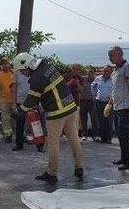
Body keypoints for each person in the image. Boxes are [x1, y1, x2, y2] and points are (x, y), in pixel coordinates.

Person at [13, 52, 83, 183]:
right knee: (74, 139)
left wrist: (19, 111)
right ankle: (79, 168)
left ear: (27, 65)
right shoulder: (47, 67)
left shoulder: (36, 78)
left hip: (57, 113)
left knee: (53, 143)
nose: (22, 74)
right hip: (71, 108)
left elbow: (31, 99)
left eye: (22, 71)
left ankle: (52, 173)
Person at [104, 46, 129, 171]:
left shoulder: (127, 68)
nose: (109, 58)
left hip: (126, 106)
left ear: (119, 54)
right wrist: (109, 104)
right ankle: (123, 158)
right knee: (119, 134)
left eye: (111, 55)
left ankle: (128, 161)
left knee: (124, 135)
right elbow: (115, 90)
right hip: (117, 106)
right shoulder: (115, 70)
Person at [0, 57, 14, 143]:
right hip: (3, 99)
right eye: (3, 63)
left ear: (9, 63)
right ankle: (8, 135)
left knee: (19, 117)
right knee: (5, 118)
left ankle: (22, 134)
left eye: (6, 63)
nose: (5, 65)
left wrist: (12, 71)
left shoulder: (13, 72)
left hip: (14, 99)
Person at [92, 65, 114, 143]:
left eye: (108, 71)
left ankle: (108, 138)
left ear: (111, 72)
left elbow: (115, 91)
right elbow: (93, 86)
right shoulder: (98, 78)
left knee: (109, 121)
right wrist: (94, 95)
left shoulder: (114, 80)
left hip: (109, 103)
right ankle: (102, 138)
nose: (106, 72)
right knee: (101, 121)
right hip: (99, 102)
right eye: (105, 71)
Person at [79, 67, 98, 141]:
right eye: (89, 71)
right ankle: (84, 135)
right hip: (83, 101)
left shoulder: (97, 80)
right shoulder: (83, 79)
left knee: (94, 119)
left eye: (92, 72)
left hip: (92, 102)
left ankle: (95, 135)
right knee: (83, 119)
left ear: (94, 73)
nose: (90, 73)